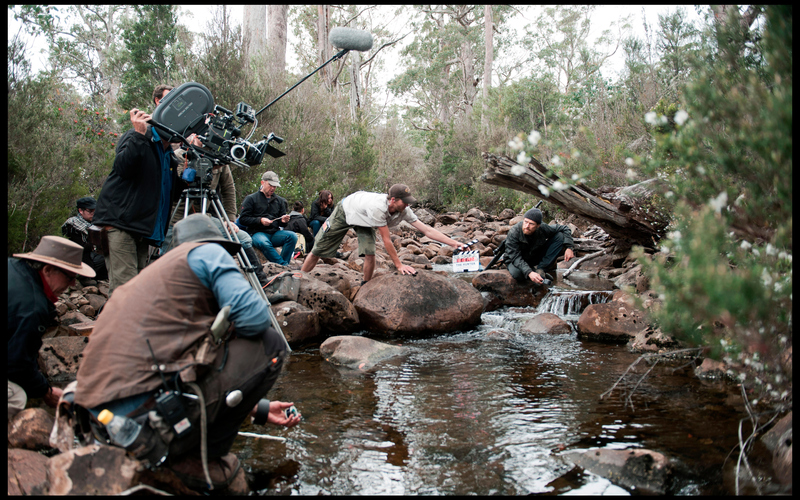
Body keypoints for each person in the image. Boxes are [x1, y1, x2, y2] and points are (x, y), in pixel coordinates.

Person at [74, 214, 300, 491]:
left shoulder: (150, 279)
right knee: (270, 344)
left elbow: (176, 360)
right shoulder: (208, 252)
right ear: (216, 244)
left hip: (98, 423)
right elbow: (255, 318)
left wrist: (257, 409)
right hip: (141, 423)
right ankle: (205, 459)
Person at [92, 84, 186, 295]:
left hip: (143, 229)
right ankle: (116, 327)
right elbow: (123, 168)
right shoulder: (137, 137)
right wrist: (138, 134)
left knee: (139, 291)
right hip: (121, 224)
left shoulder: (168, 156)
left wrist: (194, 166)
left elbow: (174, 193)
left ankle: (129, 327)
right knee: (125, 292)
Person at [301, 183, 467, 282]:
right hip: (347, 210)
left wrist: (454, 243)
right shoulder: (378, 208)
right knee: (317, 250)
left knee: (370, 253)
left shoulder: (404, 211)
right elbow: (386, 240)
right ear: (393, 200)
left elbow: (427, 230)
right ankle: (300, 277)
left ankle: (365, 285)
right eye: (405, 202)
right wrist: (399, 265)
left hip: (365, 219)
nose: (408, 206)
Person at [8, 236, 96, 419]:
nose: (73, 284)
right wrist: (46, 391)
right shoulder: (32, 306)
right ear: (48, 269)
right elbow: (17, 364)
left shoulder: (12, 267)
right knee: (16, 396)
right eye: (70, 277)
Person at [162, 147, 270, 287]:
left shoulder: (218, 159)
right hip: (177, 218)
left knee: (242, 238)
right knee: (168, 260)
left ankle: (262, 284)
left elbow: (228, 188)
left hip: (204, 218)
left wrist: (230, 219)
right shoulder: (179, 156)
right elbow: (172, 189)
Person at [238, 171, 298, 267]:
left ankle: (282, 264)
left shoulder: (280, 201)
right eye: (271, 185)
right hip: (257, 233)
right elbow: (243, 219)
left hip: (274, 233)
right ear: (263, 183)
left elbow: (282, 224)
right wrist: (260, 220)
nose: (273, 188)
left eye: (275, 186)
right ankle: (283, 265)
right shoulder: (251, 199)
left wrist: (283, 221)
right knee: (263, 243)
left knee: (292, 236)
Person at [504, 207, 575, 285]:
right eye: (525, 222)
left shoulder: (543, 228)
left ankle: (541, 269)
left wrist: (569, 247)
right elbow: (515, 257)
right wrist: (529, 272)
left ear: (538, 225)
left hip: (533, 256)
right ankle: (536, 274)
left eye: (531, 224)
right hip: (515, 260)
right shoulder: (514, 232)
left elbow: (564, 228)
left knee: (560, 236)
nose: (527, 226)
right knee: (518, 275)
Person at [61, 196, 108, 281]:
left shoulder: (97, 223)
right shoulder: (72, 224)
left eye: (95, 211)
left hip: (93, 256)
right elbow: (79, 247)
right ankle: (84, 277)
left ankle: (100, 276)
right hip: (79, 258)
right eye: (90, 211)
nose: (93, 214)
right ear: (80, 211)